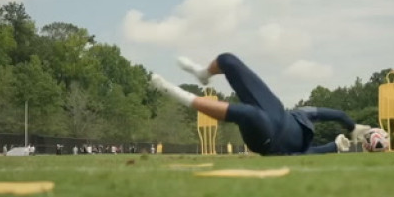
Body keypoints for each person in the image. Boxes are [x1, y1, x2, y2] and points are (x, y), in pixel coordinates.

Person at [150, 53, 371, 155]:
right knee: (228, 60)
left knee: (249, 114)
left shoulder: (300, 147)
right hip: (276, 110)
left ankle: (176, 93)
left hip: (270, 140)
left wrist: (335, 146)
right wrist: (352, 126)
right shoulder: (304, 115)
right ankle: (202, 74)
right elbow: (335, 114)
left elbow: (308, 155)